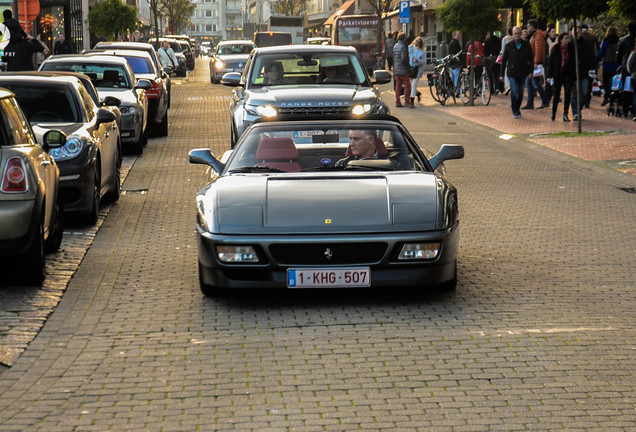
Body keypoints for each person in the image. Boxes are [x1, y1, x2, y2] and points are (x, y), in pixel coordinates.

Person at [500, 26, 534, 119]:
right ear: (513, 35)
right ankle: (515, 110)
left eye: (519, 33)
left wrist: (531, 71)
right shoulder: (509, 46)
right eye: (515, 34)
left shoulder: (526, 45)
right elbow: (504, 61)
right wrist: (501, 74)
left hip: (523, 72)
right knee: (514, 91)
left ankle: (517, 108)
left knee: (521, 92)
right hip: (512, 72)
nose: (517, 35)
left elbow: (531, 59)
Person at [335, 130, 401, 169]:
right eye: (350, 139)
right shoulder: (342, 164)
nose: (351, 144)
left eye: (356, 139)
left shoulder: (392, 165)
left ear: (370, 140)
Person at [547, 32, 576, 122]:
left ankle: (565, 114)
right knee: (556, 95)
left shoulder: (571, 49)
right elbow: (551, 63)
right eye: (565, 38)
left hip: (568, 74)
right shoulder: (555, 49)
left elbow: (574, 62)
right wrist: (549, 76)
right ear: (561, 40)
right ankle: (553, 113)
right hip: (558, 74)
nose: (567, 40)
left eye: (568, 38)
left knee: (567, 95)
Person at [569, 25, 596, 121]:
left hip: (584, 72)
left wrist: (592, 69)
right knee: (574, 94)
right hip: (572, 73)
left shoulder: (586, 44)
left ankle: (578, 108)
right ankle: (575, 112)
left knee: (584, 93)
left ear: (581, 33)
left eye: (578, 32)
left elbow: (592, 57)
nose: (576, 34)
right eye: (574, 32)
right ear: (571, 33)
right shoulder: (570, 44)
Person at [522, 19, 550, 110]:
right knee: (530, 82)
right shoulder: (535, 35)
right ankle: (531, 103)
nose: (527, 27)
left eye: (528, 25)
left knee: (533, 82)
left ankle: (544, 101)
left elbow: (538, 50)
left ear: (532, 26)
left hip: (535, 63)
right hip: (533, 63)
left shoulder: (537, 36)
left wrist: (535, 62)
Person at [617, 22, 636, 118]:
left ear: (627, 29)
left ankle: (624, 110)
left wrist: (621, 64)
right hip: (634, 67)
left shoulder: (622, 40)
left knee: (625, 89)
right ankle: (633, 110)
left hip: (625, 67)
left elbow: (619, 55)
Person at [597, 26, 620, 106]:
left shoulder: (605, 41)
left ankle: (606, 97)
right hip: (616, 65)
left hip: (607, 64)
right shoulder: (618, 41)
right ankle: (615, 98)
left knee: (606, 82)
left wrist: (598, 59)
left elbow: (601, 52)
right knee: (615, 83)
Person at [393, 32, 412, 108]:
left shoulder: (395, 46)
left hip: (397, 69)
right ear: (404, 38)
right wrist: (408, 66)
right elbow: (404, 59)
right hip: (403, 69)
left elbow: (395, 57)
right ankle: (407, 101)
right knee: (407, 85)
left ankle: (397, 101)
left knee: (398, 86)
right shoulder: (403, 46)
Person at [408, 37, 425, 105]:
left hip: (417, 69)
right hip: (410, 68)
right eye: (416, 41)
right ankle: (417, 93)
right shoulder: (410, 48)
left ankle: (412, 100)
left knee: (414, 84)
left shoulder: (422, 51)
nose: (416, 42)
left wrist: (418, 61)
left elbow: (424, 61)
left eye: (418, 42)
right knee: (411, 85)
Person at [500, 28, 514, 95]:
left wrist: (502, 56)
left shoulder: (505, 39)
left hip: (507, 56)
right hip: (513, 57)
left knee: (506, 71)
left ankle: (508, 86)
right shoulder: (514, 38)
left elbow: (503, 49)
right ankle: (512, 84)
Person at [627, 45, 636, 121]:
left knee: (635, 95)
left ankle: (634, 113)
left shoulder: (633, 54)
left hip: (634, 76)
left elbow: (629, 66)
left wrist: (632, 72)